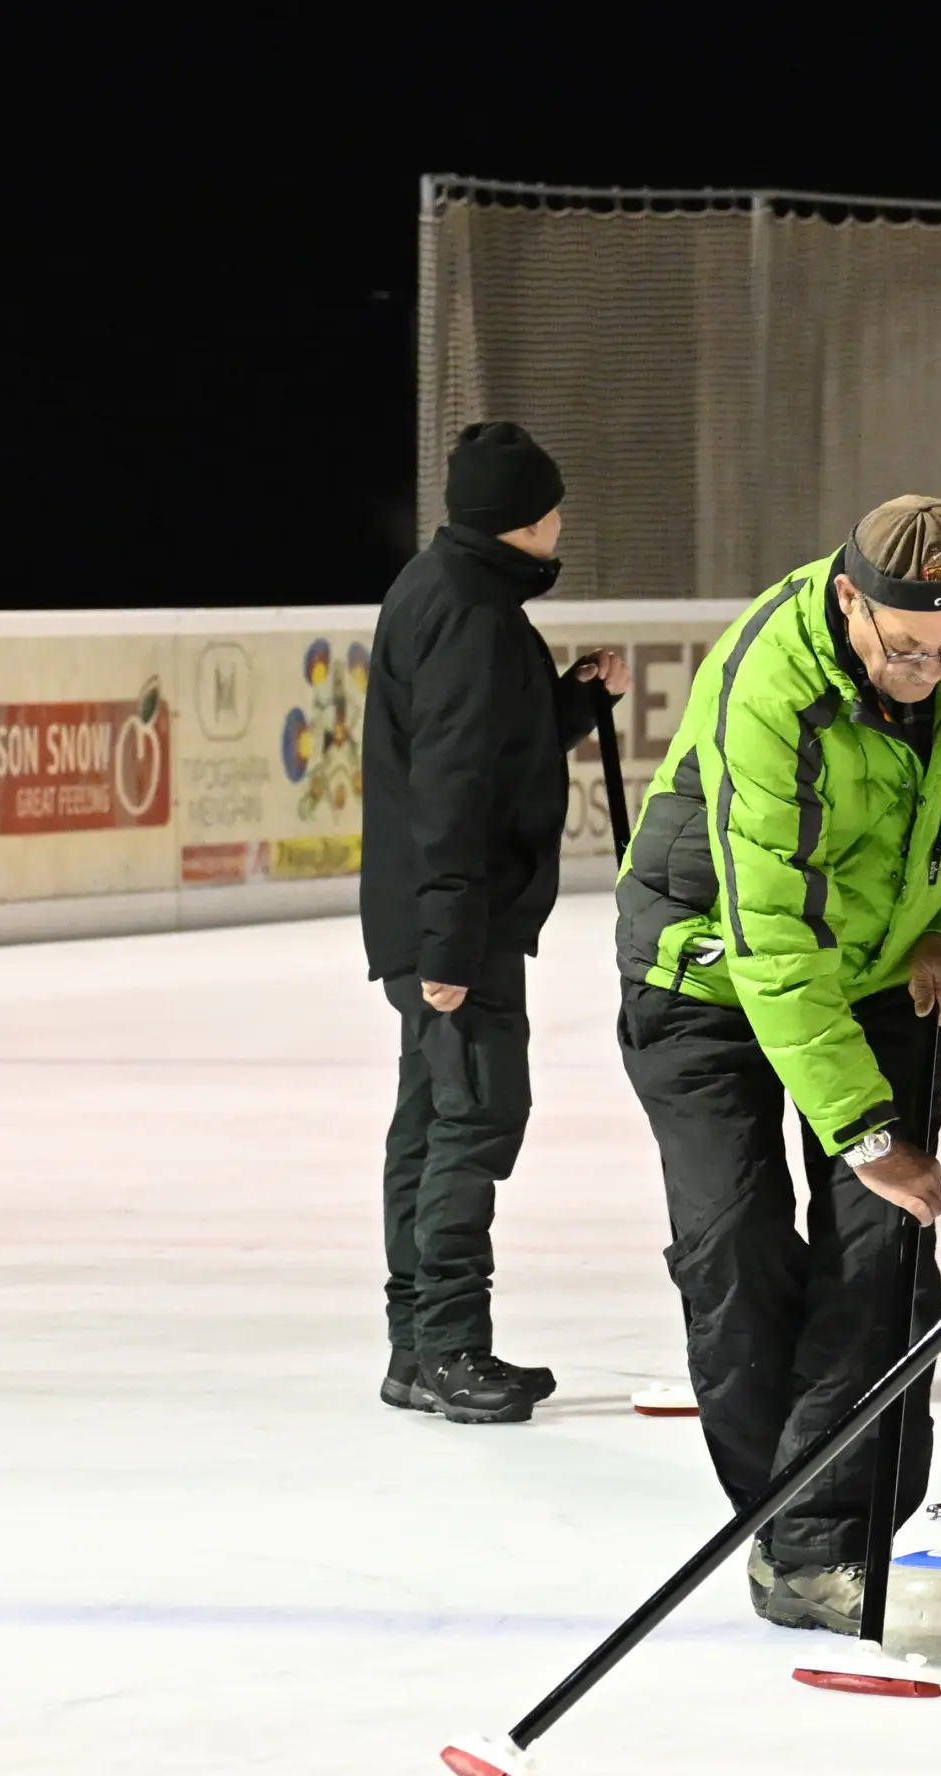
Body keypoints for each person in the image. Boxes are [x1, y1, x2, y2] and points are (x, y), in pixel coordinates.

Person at [614, 495, 941, 1634]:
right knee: (736, 1245)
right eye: (905, 648)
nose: (928, 669)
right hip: (707, 971)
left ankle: (831, 1541)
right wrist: (866, 1131)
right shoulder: (777, 686)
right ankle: (789, 1532)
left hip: (882, 970)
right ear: (850, 597)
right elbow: (772, 938)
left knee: (885, 1259)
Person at [362, 421, 629, 1424]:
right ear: (519, 518)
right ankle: (448, 1348)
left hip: (439, 916)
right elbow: (452, 787)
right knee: (472, 1118)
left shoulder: (450, 593)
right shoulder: (470, 616)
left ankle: (414, 1344)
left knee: (434, 1121)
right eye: (553, 507)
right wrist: (447, 943)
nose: (562, 522)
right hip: (456, 928)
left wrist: (567, 703)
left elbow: (493, 749)